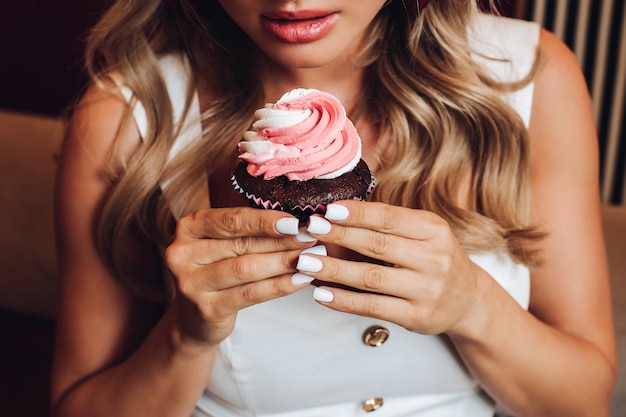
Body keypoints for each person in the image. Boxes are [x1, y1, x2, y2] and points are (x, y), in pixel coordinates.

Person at [50, 0, 617, 416]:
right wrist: (185, 337)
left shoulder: (532, 74)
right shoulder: (124, 118)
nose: (292, 1)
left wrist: (473, 307)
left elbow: (584, 400)